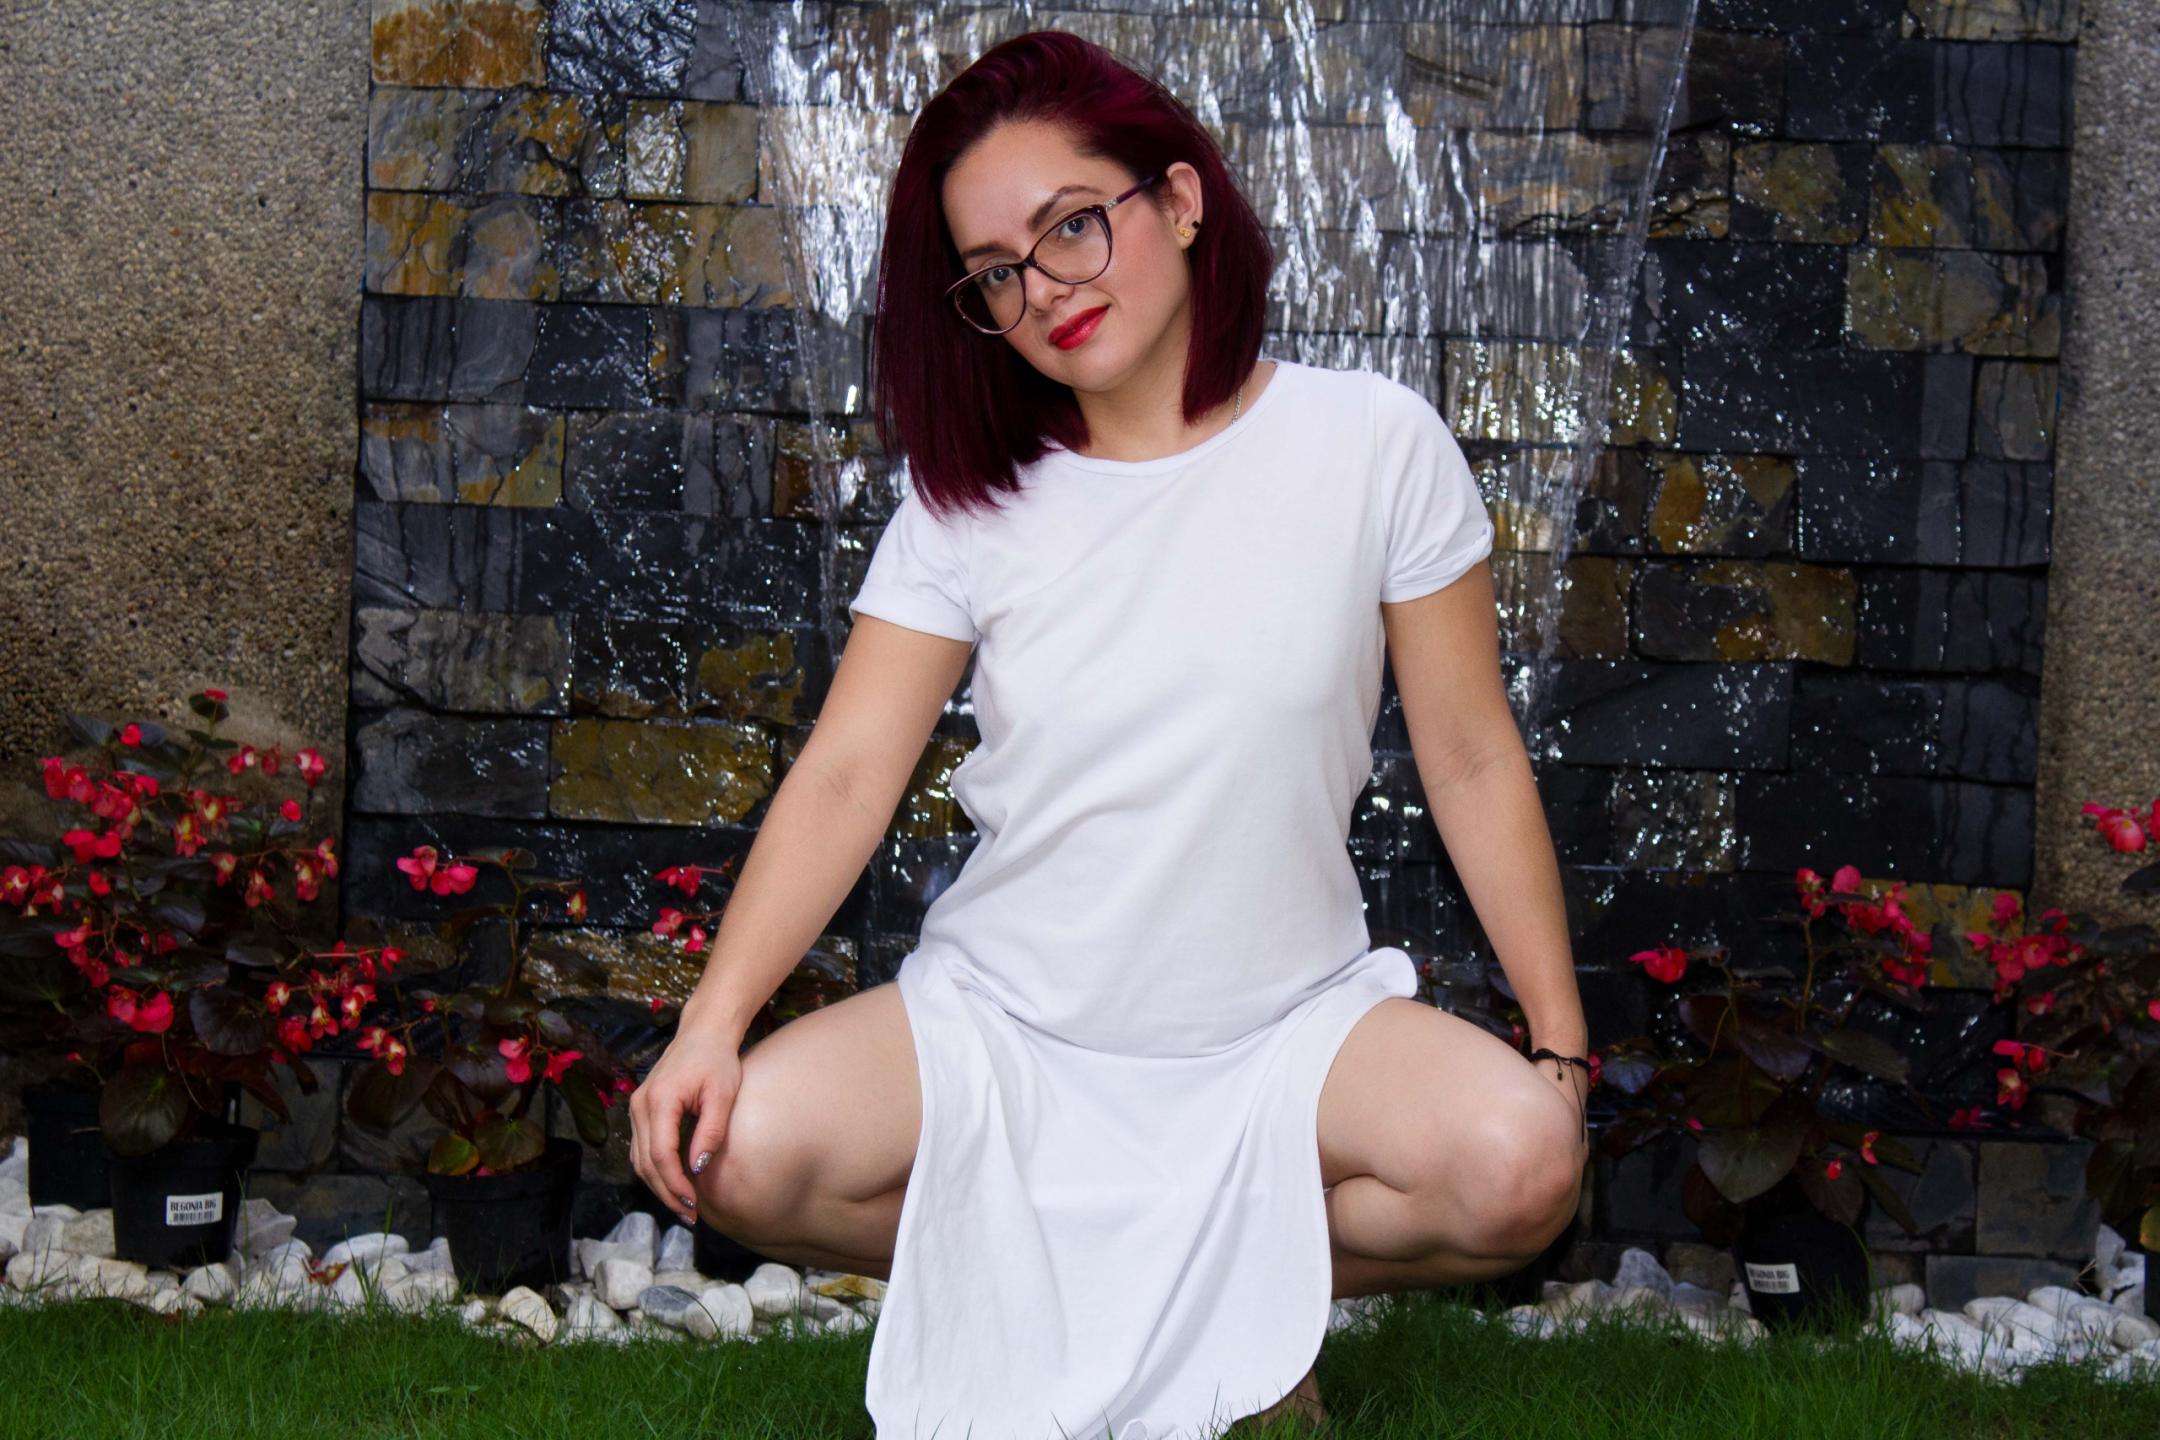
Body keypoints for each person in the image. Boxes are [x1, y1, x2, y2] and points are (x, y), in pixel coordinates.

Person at [630, 29, 1590, 1440]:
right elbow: (845, 774)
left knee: (1520, 1165)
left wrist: (1561, 1049)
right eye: (996, 273)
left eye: (1072, 226)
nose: (1045, 290)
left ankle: (1208, 1307)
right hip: (1013, 1026)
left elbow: (1469, 755)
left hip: (1282, 1031)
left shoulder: (1373, 445)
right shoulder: (967, 505)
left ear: (1181, 201)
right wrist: (707, 1029)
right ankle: (1181, 1324)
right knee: (744, 1154)